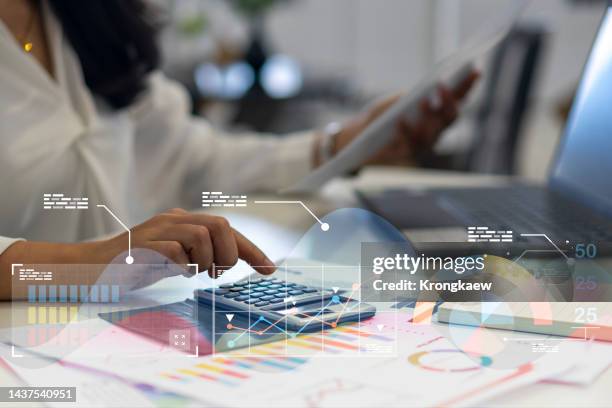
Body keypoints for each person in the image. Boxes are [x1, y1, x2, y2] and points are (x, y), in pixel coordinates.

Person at [0, 0, 478, 299]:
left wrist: (342, 145)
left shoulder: (84, 16)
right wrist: (93, 260)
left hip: (110, 331)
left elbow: (192, 156)